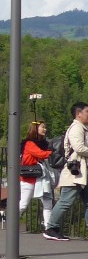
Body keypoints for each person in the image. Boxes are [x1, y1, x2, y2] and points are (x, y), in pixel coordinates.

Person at [48, 102, 88, 241]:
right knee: (65, 201)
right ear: (79, 114)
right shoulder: (77, 128)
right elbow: (79, 148)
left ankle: (52, 228)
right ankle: (51, 228)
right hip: (75, 172)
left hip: (80, 172)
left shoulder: (81, 128)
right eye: (87, 112)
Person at [18, 120, 53, 229]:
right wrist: (54, 152)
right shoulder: (30, 144)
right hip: (31, 177)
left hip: (38, 177)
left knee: (47, 202)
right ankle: (11, 220)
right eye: (43, 127)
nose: (45, 129)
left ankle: (48, 226)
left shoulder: (35, 143)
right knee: (24, 203)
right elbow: (41, 154)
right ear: (36, 129)